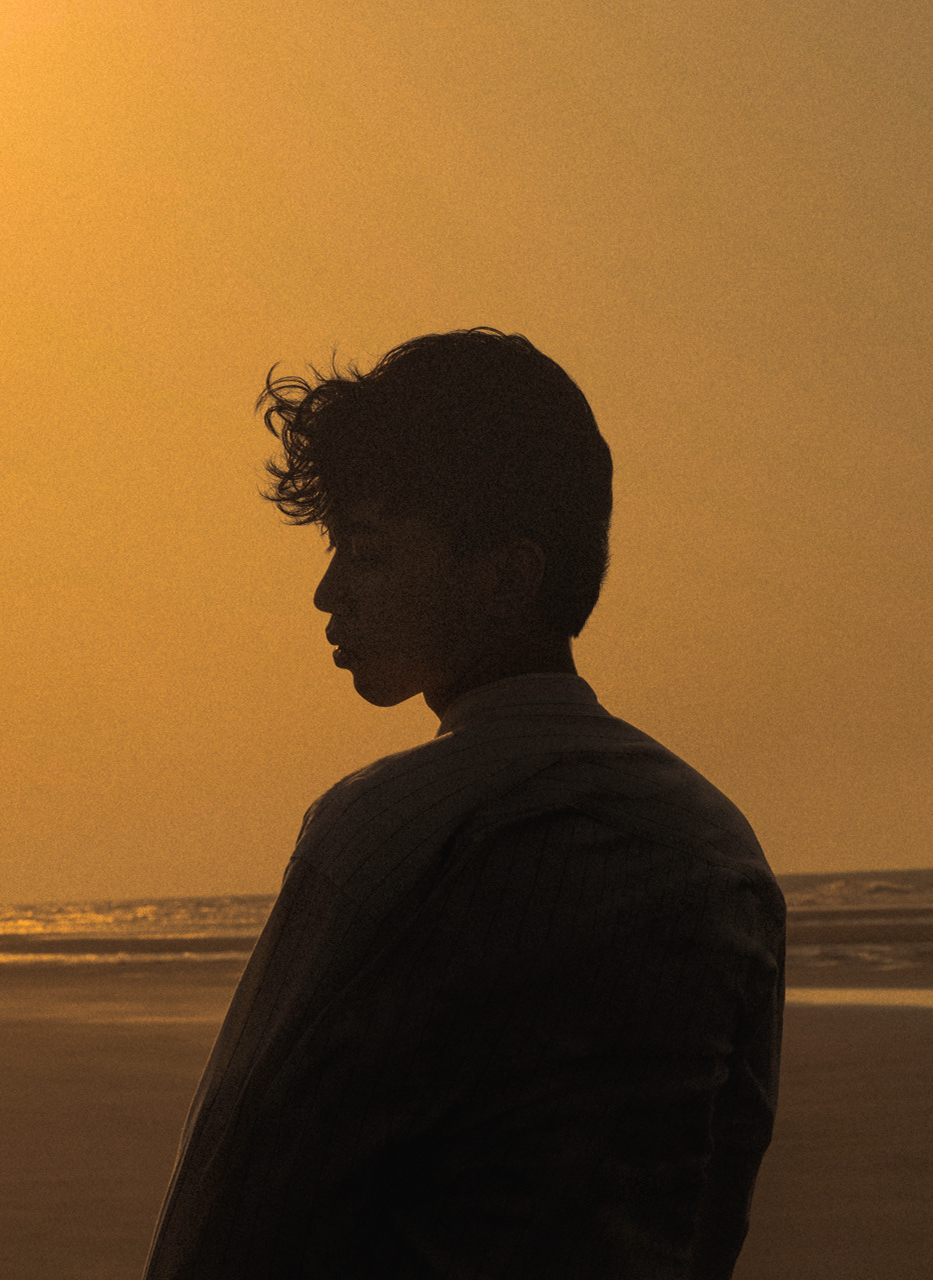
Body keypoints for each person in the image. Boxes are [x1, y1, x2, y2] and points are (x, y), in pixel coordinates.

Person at [143, 329, 785, 1279]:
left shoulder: (388, 834)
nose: (326, 592)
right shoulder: (719, 850)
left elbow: (237, 1186)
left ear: (504, 578)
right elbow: (720, 1193)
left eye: (365, 553)